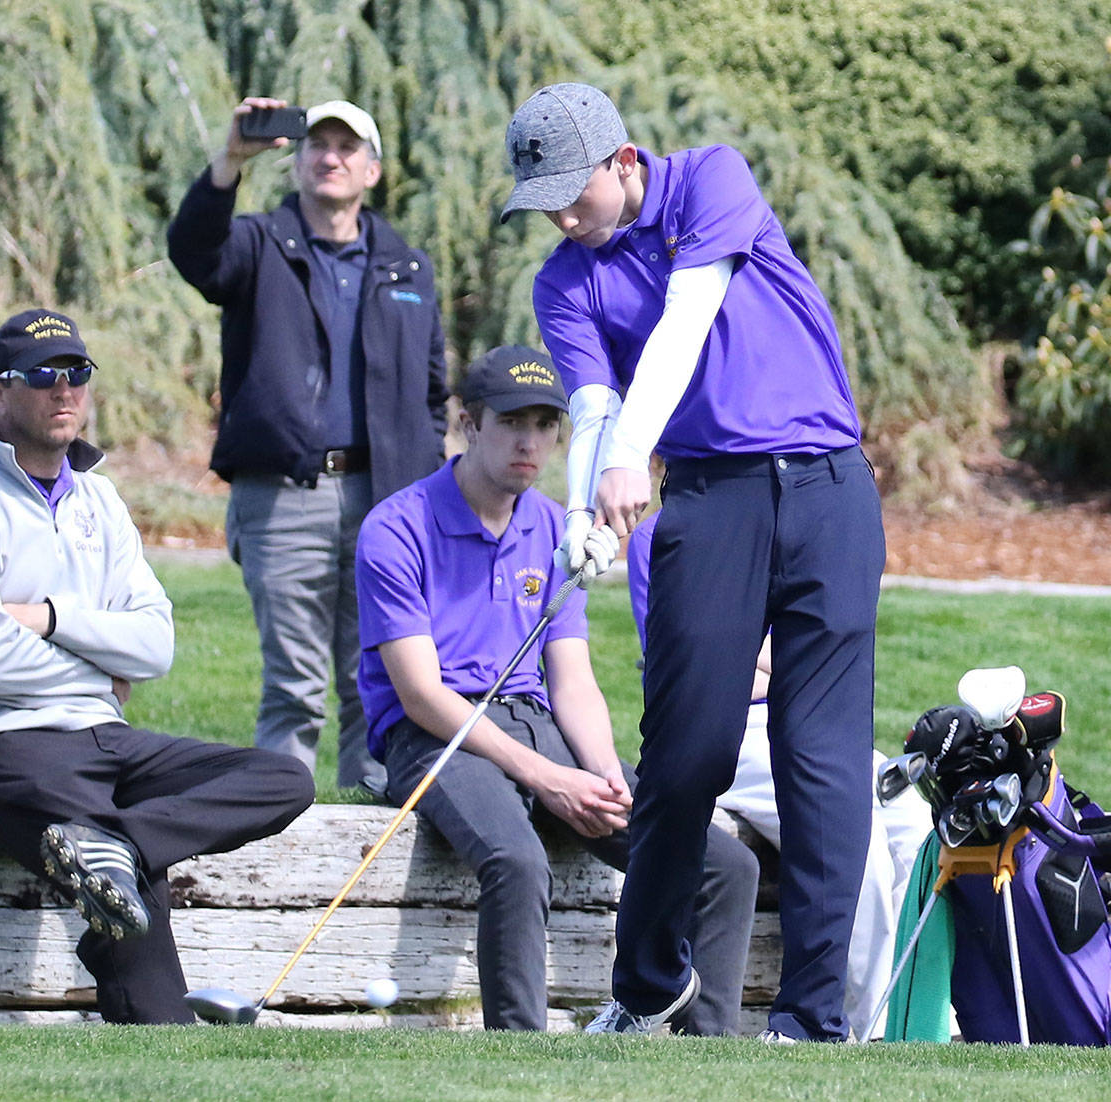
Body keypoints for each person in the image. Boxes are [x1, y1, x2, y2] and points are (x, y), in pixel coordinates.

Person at [501, 82, 887, 1041]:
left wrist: (633, 453)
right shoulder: (565, 280)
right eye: (541, 199)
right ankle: (645, 989)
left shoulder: (714, 177)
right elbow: (590, 408)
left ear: (624, 161)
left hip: (831, 488)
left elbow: (688, 312)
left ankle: (811, 1019)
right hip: (713, 499)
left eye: (571, 192)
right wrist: (592, 504)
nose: (560, 214)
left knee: (820, 757)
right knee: (687, 754)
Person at [0, 309, 316, 1024]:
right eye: (44, 376)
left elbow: (154, 645)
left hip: (99, 737)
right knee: (115, 868)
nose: (65, 391)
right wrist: (98, 670)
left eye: (77, 374)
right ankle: (165, 1030)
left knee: (281, 778)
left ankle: (119, 846)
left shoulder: (101, 499)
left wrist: (51, 617)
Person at [353, 346, 758, 1033]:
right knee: (516, 861)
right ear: (469, 422)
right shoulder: (396, 526)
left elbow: (572, 680)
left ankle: (706, 1054)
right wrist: (546, 778)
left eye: (546, 424)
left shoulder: (551, 524)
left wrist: (600, 771)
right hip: (434, 737)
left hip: (537, 725)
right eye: (512, 421)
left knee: (725, 866)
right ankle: (521, 1052)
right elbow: (421, 695)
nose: (530, 441)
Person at [167, 96, 449, 792]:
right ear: (295, 161)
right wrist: (230, 159)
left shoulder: (406, 267)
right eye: (318, 145)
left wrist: (421, 475)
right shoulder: (259, 245)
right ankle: (274, 821)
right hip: (285, 496)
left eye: (347, 147)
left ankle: (366, 821)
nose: (331, 157)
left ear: (373, 171)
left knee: (377, 674)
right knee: (294, 683)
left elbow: (434, 391)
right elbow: (194, 252)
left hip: (386, 501)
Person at [627, 511, 928, 1038]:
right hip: (728, 728)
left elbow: (810, 651)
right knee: (861, 850)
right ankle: (871, 1032)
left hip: (806, 720)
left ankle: (915, 1018)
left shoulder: (801, 523)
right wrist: (791, 656)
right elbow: (700, 663)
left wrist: (766, 656)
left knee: (915, 821)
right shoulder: (664, 533)